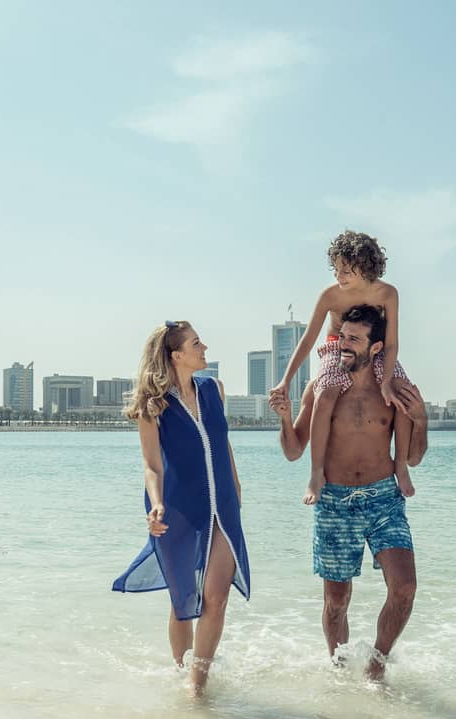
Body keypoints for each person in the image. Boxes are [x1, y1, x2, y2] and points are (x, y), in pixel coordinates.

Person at [268, 305, 428, 680]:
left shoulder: (394, 390)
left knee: (405, 587)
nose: (343, 345)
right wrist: (284, 417)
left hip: (384, 499)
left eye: (355, 339)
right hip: (334, 501)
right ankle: (339, 671)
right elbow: (293, 451)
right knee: (336, 602)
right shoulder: (321, 388)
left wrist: (421, 420)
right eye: (342, 336)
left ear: (376, 348)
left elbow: (414, 458)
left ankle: (377, 664)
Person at [113, 320, 250, 694]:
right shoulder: (151, 404)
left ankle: (197, 686)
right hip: (177, 509)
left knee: (217, 597)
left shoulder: (213, 390)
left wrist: (236, 490)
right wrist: (156, 504)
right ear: (177, 356)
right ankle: (180, 669)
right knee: (183, 603)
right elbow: (151, 465)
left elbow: (224, 445)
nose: (204, 347)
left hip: (222, 507)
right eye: (196, 343)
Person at [269, 231, 414, 504]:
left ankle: (401, 467)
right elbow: (308, 339)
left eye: (345, 271)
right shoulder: (330, 296)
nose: (338, 276)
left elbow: (392, 343)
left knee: (401, 391)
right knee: (325, 392)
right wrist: (285, 380)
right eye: (335, 270)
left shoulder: (388, 293)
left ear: (366, 267)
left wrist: (386, 382)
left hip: (375, 348)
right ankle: (315, 474)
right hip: (338, 347)